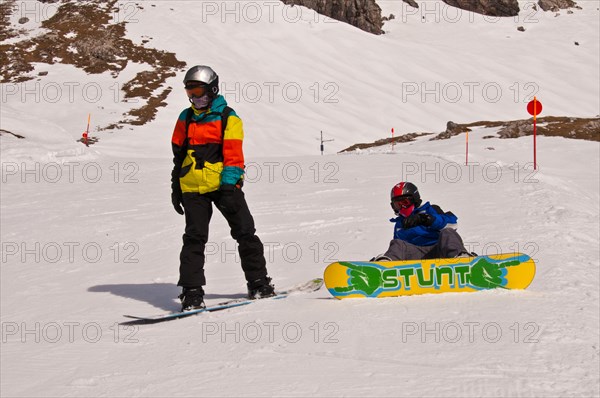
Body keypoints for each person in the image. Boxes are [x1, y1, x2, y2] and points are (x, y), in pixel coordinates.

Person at [170, 65, 274, 311]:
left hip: (223, 184)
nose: (196, 99)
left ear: (213, 90)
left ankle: (258, 283)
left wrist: (229, 186)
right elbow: (178, 156)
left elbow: (234, 156)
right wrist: (176, 187)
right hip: (193, 187)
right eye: (190, 93)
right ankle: (191, 293)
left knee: (245, 232)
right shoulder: (185, 118)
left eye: (200, 93)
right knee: (194, 239)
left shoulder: (228, 117)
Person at [374, 181, 472, 261]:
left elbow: (453, 225)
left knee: (447, 232)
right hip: (415, 259)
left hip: (439, 253)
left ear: (414, 199)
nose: (402, 207)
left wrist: (426, 219)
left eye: (405, 202)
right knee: (397, 243)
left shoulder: (431, 210)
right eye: (397, 205)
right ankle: (386, 266)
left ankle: (461, 260)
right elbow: (400, 250)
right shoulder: (400, 224)